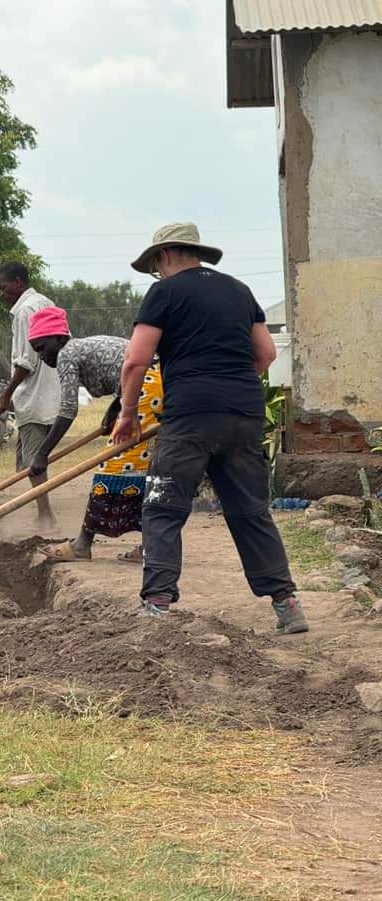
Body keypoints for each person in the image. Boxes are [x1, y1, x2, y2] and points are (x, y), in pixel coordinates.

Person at [113, 222, 308, 635]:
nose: (157, 274)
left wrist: (127, 413)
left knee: (163, 506)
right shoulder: (239, 290)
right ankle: (287, 605)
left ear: (164, 256)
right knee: (250, 511)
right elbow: (267, 353)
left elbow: (135, 361)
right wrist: (230, 386)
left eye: (155, 267)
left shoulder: (164, 292)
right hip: (243, 415)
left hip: (189, 418)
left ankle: (157, 604)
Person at [24, 306, 163, 563]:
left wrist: (42, 454)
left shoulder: (67, 354)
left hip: (145, 385)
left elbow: (67, 410)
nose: (42, 357)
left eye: (43, 348)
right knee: (142, 470)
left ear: (59, 338)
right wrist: (115, 409)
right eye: (36, 352)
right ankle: (150, 547)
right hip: (154, 382)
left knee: (113, 465)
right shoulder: (79, 348)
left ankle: (82, 544)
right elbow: (121, 371)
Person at [0, 262, 61, 527]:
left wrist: (5, 394)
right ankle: (42, 511)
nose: (2, 293)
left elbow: (25, 361)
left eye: (4, 287)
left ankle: (46, 515)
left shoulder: (24, 312)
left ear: (19, 282)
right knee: (29, 460)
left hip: (34, 396)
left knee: (33, 462)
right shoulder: (46, 302)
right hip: (53, 393)